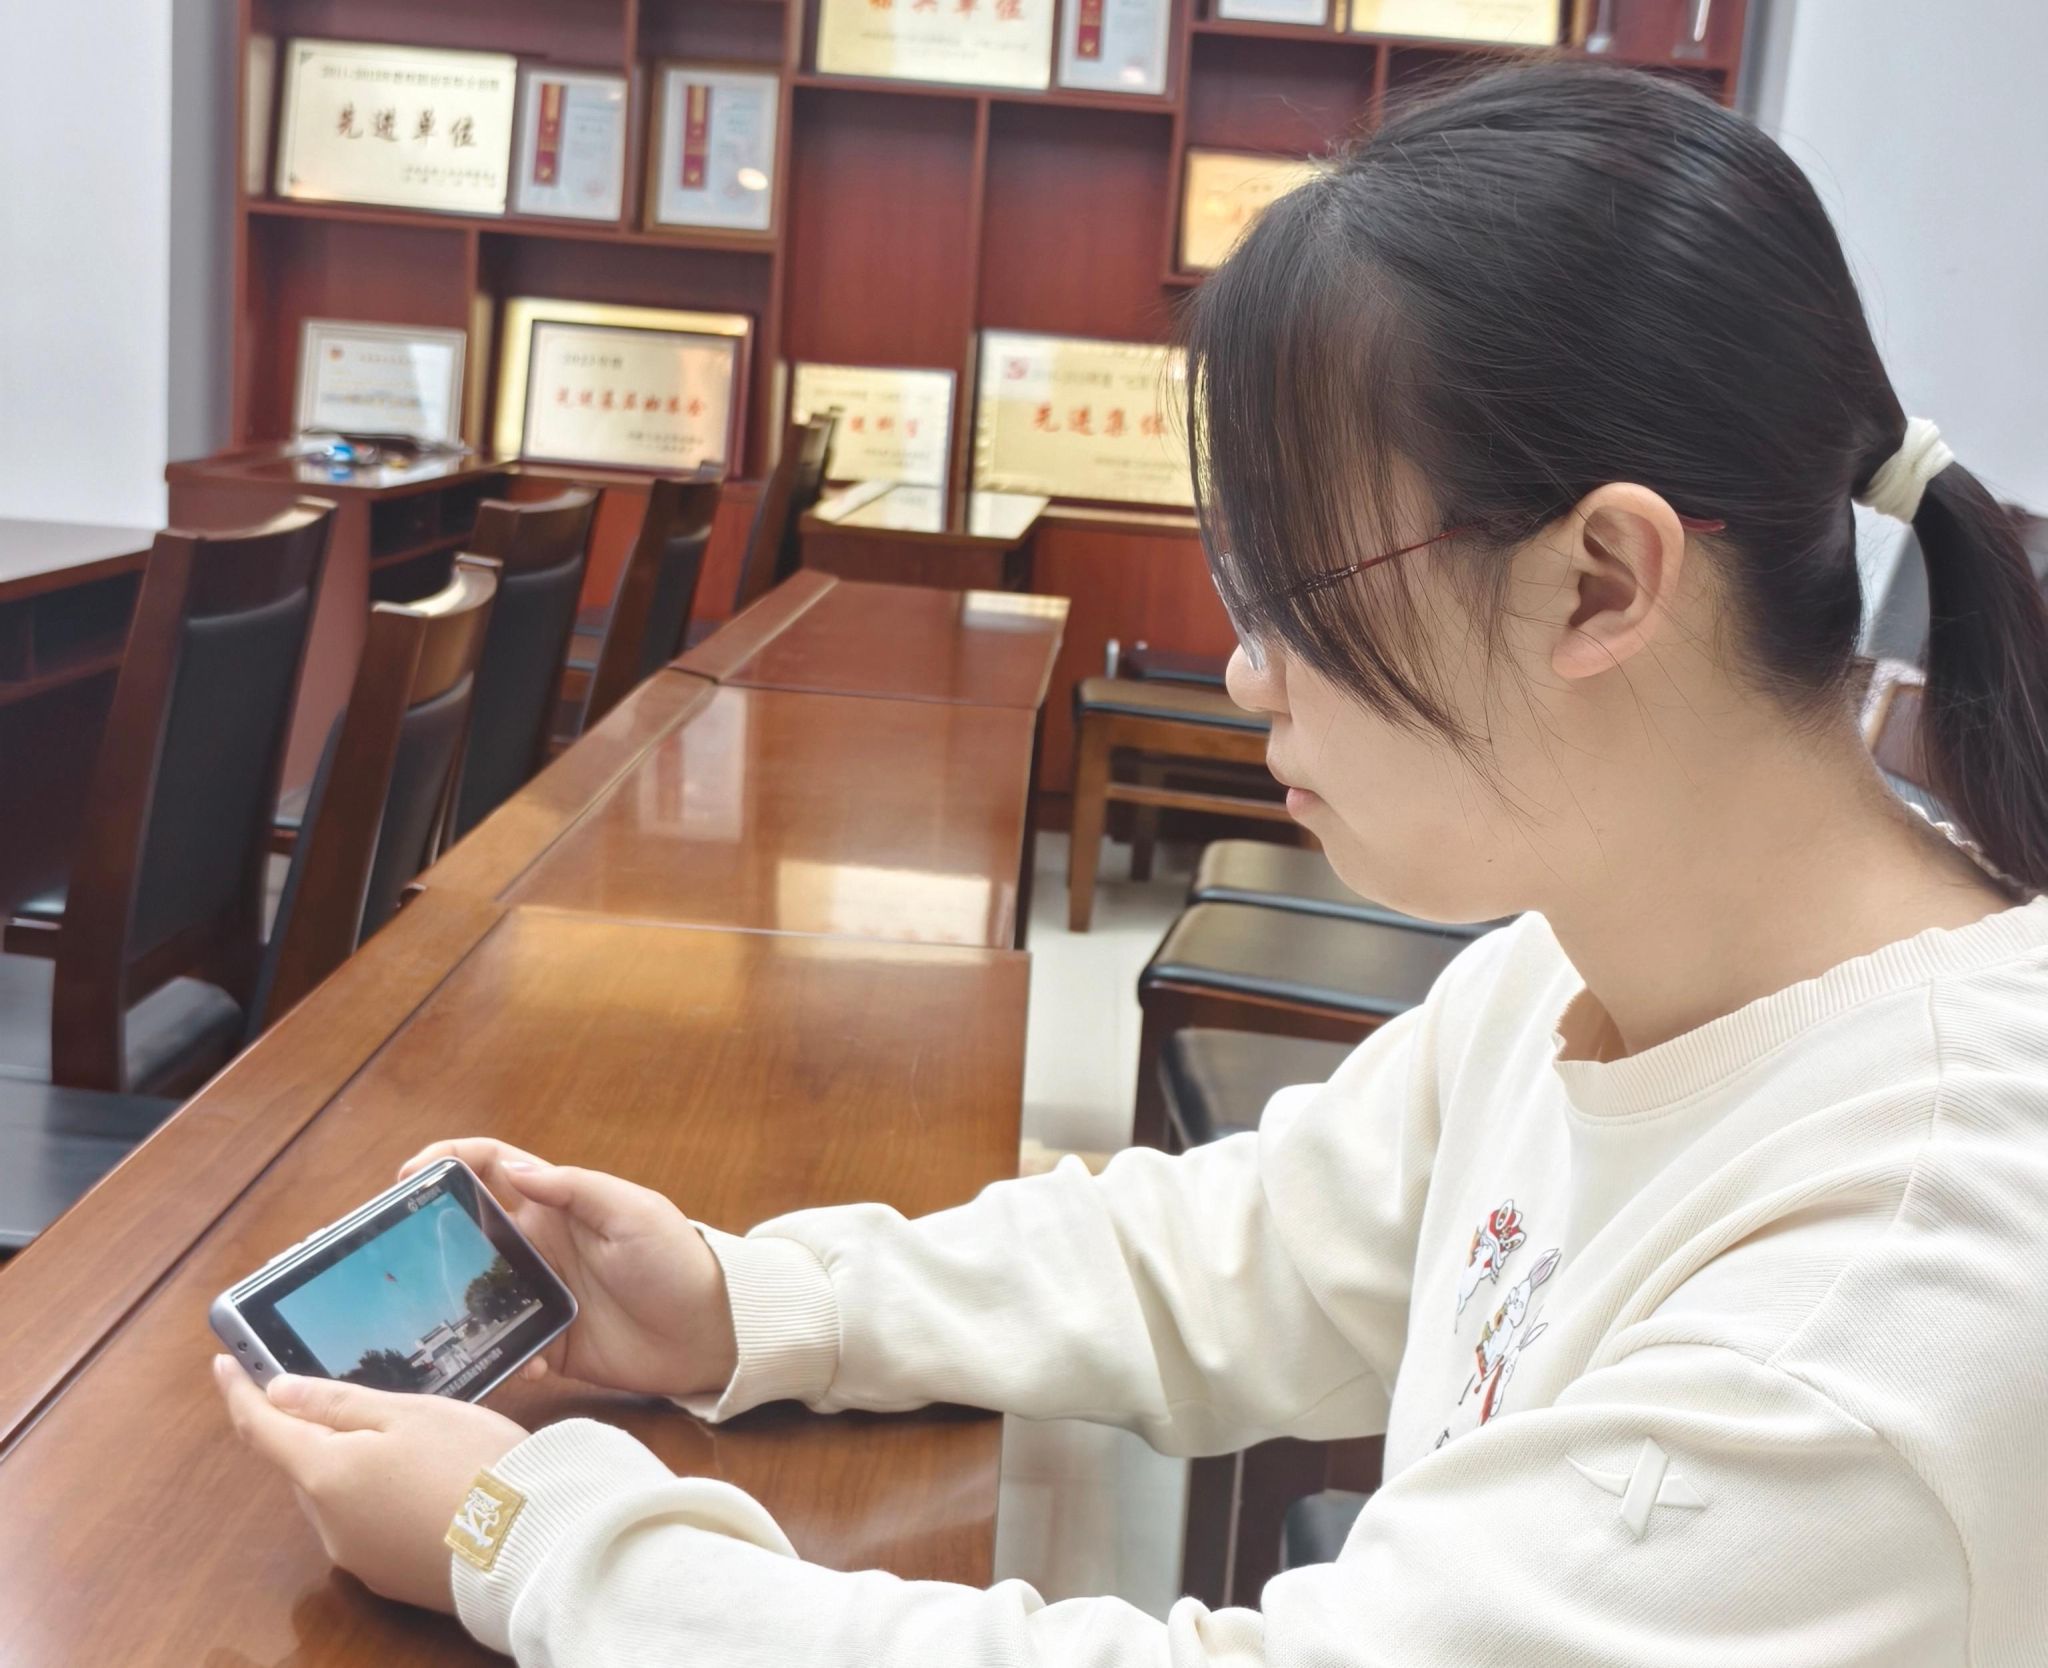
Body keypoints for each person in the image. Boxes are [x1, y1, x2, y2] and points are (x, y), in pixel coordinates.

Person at [214, 61, 2048, 1666]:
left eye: (1289, 588)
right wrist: (743, 1298)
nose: (1247, 671)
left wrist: (533, 1537)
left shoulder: (1903, 1275)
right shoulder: (1586, 965)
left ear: (1601, 582)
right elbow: (1247, 1252)